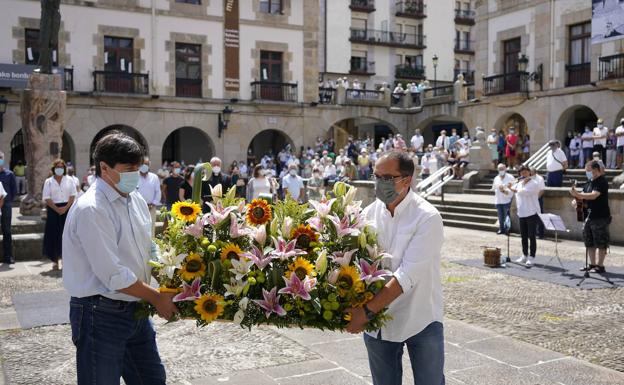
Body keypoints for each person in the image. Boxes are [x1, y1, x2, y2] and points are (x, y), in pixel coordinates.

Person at [63, 132, 177, 384]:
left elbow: (149, 248)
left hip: (136, 308)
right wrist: (157, 297)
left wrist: (166, 276)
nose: (135, 174)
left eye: (138, 168)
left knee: (152, 379)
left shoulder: (135, 198)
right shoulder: (92, 208)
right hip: (100, 313)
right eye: (128, 169)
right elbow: (113, 274)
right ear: (104, 167)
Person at [346, 151, 445, 385]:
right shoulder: (367, 214)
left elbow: (406, 276)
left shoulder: (428, 217)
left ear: (406, 180)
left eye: (387, 177)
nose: (379, 183)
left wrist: (366, 312)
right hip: (380, 324)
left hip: (419, 317)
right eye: (376, 176)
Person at [570, 160, 611, 273]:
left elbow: (593, 196)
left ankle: (600, 266)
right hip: (588, 216)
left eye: (589, 170)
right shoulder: (589, 182)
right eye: (586, 171)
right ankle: (592, 264)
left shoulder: (602, 182)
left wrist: (578, 195)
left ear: (596, 169)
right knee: (589, 241)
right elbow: (583, 194)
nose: (587, 173)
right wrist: (576, 200)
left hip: (600, 216)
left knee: (601, 242)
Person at [42, 159, 76, 270]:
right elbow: (47, 197)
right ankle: (55, 260)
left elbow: (73, 195)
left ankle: (66, 260)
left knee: (67, 235)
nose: (59, 169)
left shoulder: (70, 180)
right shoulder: (49, 181)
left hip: (67, 208)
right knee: (53, 234)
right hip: (53, 209)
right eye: (57, 167)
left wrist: (65, 208)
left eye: (61, 167)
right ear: (54, 168)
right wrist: (57, 209)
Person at [508, 165, 541, 267]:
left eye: (525, 172)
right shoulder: (519, 183)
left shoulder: (534, 183)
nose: (523, 174)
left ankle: (532, 257)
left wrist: (511, 189)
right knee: (523, 236)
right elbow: (510, 192)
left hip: (532, 213)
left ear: (529, 173)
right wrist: (503, 189)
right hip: (522, 213)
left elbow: (524, 192)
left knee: (532, 236)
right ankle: (524, 254)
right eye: (521, 173)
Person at [137, 157, 162, 237]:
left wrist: (153, 203)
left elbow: (158, 192)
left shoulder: (154, 177)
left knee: (151, 229)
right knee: (138, 228)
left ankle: (151, 247)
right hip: (137, 207)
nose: (145, 166)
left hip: (151, 207)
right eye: (143, 164)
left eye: (147, 164)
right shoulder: (135, 176)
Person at [0, 152, 16, 264]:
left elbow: (14, 190)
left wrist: (7, 200)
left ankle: (8, 256)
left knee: (7, 230)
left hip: (6, 205)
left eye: (0, 158)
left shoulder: (9, 174)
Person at [491, 163, 515, 235]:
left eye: (502, 169)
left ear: (505, 169)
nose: (501, 170)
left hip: (507, 200)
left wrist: (504, 191)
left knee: (506, 216)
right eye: (499, 169)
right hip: (498, 200)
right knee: (500, 216)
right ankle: (501, 229)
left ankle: (507, 229)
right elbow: (493, 188)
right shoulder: (496, 178)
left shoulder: (510, 177)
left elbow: (513, 189)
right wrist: (498, 188)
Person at [531, 167, 546, 239]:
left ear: (535, 172)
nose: (530, 173)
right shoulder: (528, 178)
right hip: (530, 200)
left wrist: (536, 199)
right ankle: (533, 232)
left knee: (539, 217)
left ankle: (540, 234)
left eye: (531, 172)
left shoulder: (540, 178)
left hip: (538, 199)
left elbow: (542, 190)